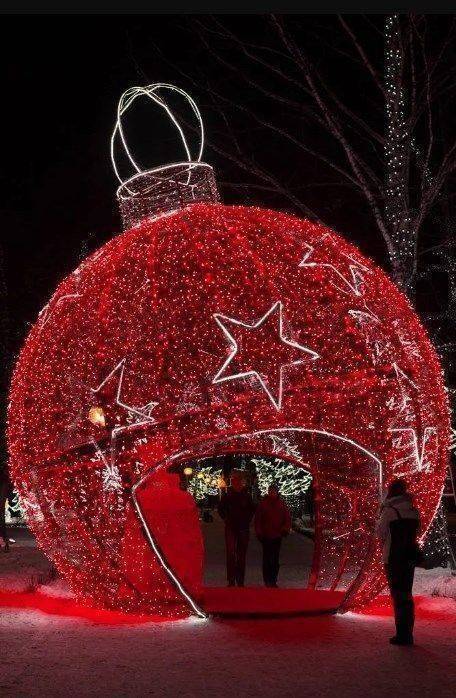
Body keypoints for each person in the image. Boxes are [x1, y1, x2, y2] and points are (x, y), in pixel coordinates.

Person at [376, 478, 421, 646]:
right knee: (406, 594)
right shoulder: (414, 510)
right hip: (409, 557)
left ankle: (402, 635)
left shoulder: (389, 510)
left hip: (393, 557)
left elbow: (379, 533)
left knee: (397, 595)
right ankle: (407, 632)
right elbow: (417, 532)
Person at [217, 470, 255, 587]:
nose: (236, 483)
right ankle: (232, 579)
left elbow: (252, 510)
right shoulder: (228, 496)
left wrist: (247, 520)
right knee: (231, 554)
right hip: (231, 527)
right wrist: (226, 518)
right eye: (234, 481)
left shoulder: (247, 496)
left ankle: (240, 579)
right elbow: (220, 509)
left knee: (241, 555)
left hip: (243, 528)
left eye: (238, 481)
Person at [255, 484, 292, 587]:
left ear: (277, 492)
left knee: (275, 559)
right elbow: (258, 519)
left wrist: (285, 529)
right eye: (270, 491)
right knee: (267, 558)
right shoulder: (263, 504)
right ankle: (267, 580)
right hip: (266, 535)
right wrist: (259, 532)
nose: (272, 493)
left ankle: (273, 579)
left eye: (273, 492)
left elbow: (287, 518)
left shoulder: (281, 504)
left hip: (277, 535)